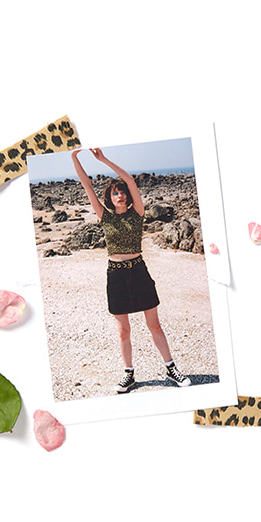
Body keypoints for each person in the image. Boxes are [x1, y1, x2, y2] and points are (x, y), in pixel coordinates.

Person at [68, 150, 179, 395]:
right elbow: (87, 185)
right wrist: (75, 157)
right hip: (116, 276)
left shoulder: (137, 213)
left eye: (122, 192)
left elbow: (130, 180)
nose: (120, 195)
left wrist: (104, 160)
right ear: (110, 198)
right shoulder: (104, 216)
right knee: (123, 331)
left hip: (139, 272)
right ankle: (128, 374)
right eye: (115, 193)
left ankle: (171, 368)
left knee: (154, 325)